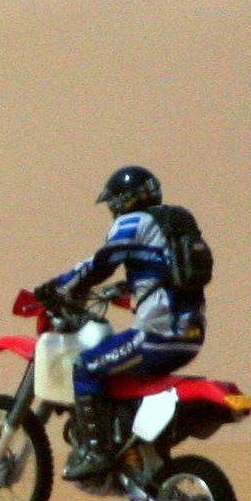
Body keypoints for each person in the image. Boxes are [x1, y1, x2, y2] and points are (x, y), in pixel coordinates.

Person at [41, 164, 206, 480]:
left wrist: (59, 285)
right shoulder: (177, 222)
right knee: (123, 379)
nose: (113, 210)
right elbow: (165, 271)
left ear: (124, 200)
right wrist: (123, 288)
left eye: (113, 203)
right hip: (190, 336)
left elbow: (101, 263)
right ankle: (136, 449)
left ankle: (95, 450)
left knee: (87, 367)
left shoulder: (134, 222)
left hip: (156, 337)